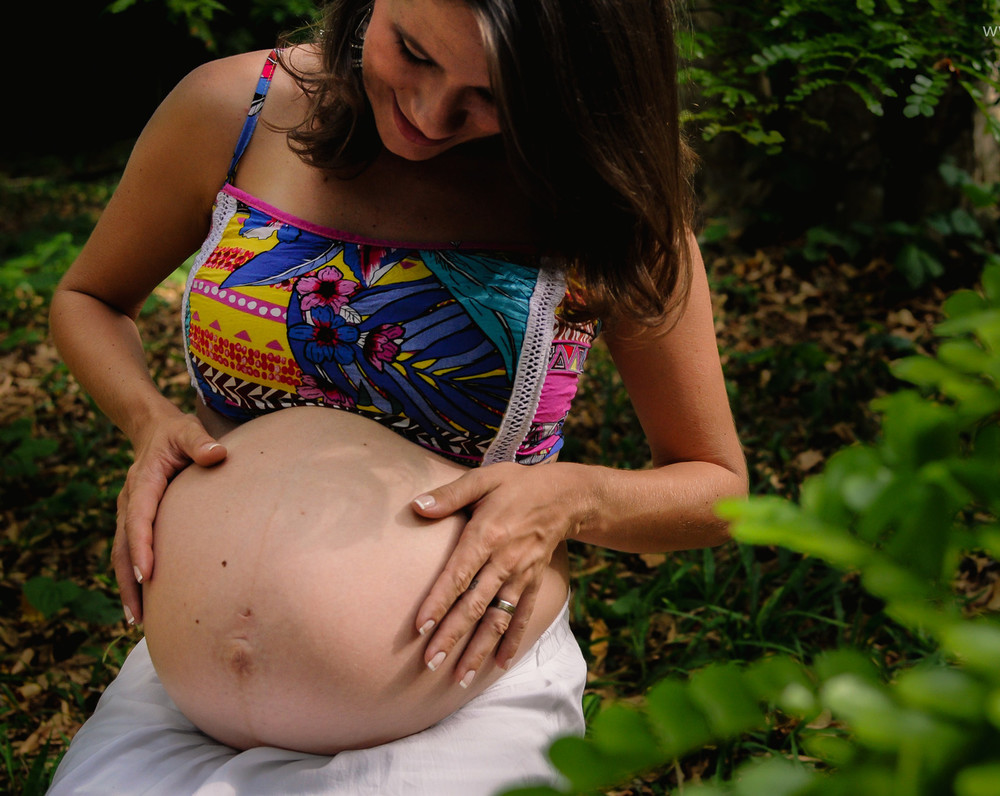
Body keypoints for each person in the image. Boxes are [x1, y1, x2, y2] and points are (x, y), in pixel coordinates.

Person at [46, 0, 747, 792]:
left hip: (456, 709)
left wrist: (574, 497)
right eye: (412, 51)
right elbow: (90, 299)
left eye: (491, 98)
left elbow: (716, 487)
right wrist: (147, 422)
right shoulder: (236, 109)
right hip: (177, 703)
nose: (427, 114)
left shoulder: (606, 209)